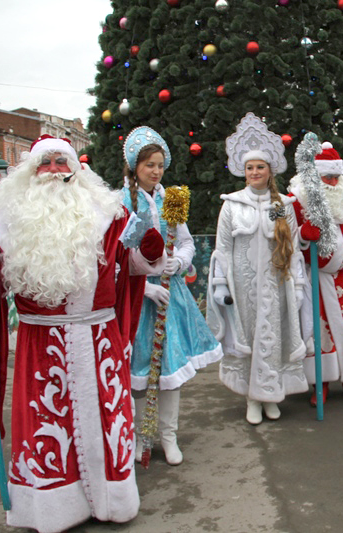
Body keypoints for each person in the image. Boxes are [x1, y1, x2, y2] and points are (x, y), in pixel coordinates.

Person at [0, 135, 166, 532]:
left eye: (61, 161)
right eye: (46, 162)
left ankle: (112, 500)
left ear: (76, 168)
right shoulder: (7, 221)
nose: (54, 170)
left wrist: (149, 254)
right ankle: (53, 509)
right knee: (46, 425)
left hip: (100, 340)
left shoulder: (109, 213)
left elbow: (130, 266)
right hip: (40, 344)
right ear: (31, 171)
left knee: (107, 423)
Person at [121, 126, 222, 464]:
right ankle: (141, 437)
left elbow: (187, 242)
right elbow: (116, 256)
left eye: (160, 165)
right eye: (149, 164)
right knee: (139, 372)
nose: (156, 171)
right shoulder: (121, 203)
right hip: (138, 299)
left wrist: (178, 261)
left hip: (171, 293)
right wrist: (143, 287)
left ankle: (168, 435)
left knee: (170, 369)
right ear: (135, 166)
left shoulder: (171, 199)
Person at [206, 113, 309, 424]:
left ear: (269, 170)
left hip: (276, 285)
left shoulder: (281, 206)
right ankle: (252, 398)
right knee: (249, 338)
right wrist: (221, 284)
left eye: (260, 167)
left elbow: (292, 248)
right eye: (250, 167)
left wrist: (298, 285)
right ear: (243, 171)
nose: (254, 172)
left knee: (273, 338)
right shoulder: (232, 204)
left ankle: (271, 394)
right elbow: (223, 248)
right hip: (243, 286)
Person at [288, 141, 343, 406]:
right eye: (328, 177)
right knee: (320, 333)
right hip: (315, 277)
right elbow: (286, 238)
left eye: (337, 176)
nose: (334, 182)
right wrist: (303, 235)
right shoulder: (297, 200)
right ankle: (321, 382)